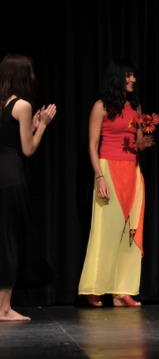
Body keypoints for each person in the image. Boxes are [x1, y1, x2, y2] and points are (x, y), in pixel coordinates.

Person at [78, 59, 155, 308]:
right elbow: (91, 146)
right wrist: (99, 177)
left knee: (130, 234)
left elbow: (138, 143)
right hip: (109, 170)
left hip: (132, 171)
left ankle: (122, 290)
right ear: (117, 78)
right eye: (128, 76)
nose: (133, 80)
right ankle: (95, 287)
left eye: (134, 76)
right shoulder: (101, 107)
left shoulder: (137, 108)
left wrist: (144, 142)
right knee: (106, 233)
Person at [0, 54, 58, 321]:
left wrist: (30, 126)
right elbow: (28, 148)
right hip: (10, 176)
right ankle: (4, 309)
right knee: (9, 239)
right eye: (31, 72)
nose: (34, 76)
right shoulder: (22, 105)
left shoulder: (1, 104)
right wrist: (43, 125)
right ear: (23, 75)